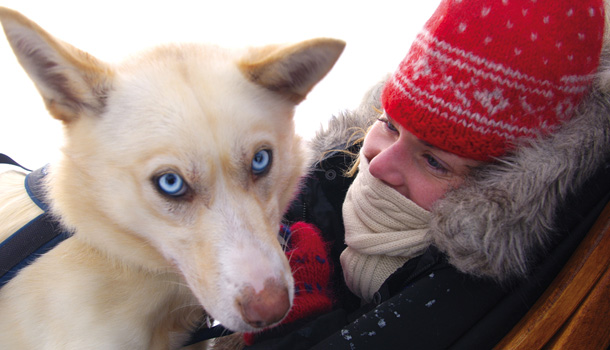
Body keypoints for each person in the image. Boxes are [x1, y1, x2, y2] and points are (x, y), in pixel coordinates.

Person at [211, 0, 610, 348]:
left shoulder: (466, 294)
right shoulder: (311, 197)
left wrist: (292, 323)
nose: (379, 164)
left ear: (497, 189)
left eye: (433, 161)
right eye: (389, 124)